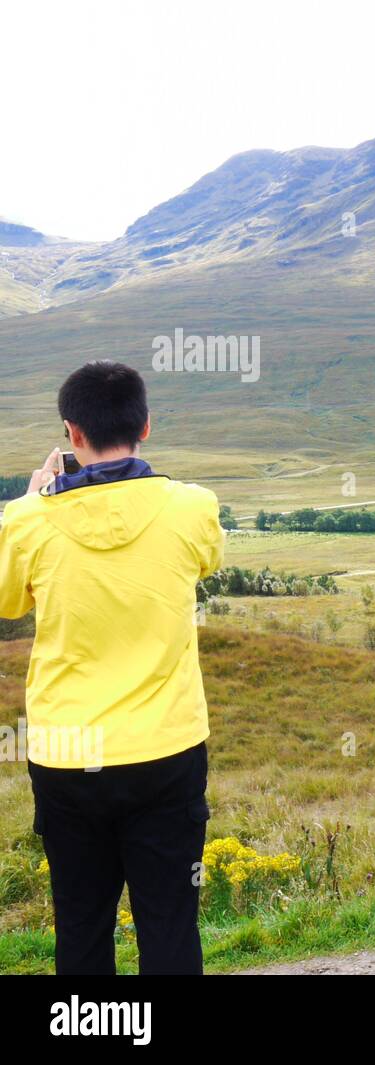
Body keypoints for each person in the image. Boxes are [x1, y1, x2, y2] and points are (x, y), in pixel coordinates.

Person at [0, 360, 225, 975]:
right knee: (171, 921)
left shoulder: (29, 522)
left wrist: (25, 504)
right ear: (145, 425)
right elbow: (205, 561)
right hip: (167, 747)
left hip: (67, 751)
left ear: (71, 433)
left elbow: (5, 599)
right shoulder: (192, 507)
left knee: (79, 922)